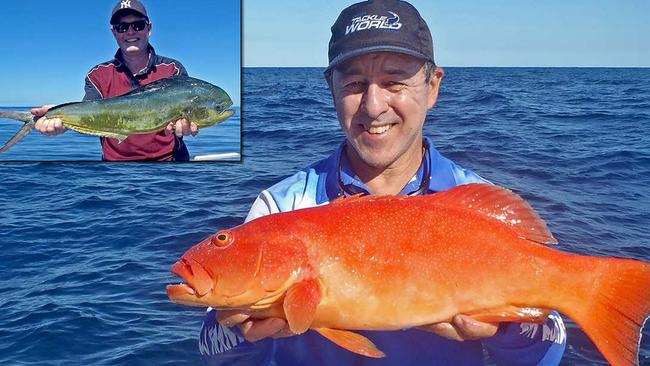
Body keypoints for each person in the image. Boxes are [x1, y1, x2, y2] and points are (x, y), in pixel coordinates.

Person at [200, 0, 567, 364]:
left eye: (394, 81)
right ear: (332, 88)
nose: (373, 105)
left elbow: (549, 352)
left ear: (433, 85)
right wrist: (238, 331)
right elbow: (214, 352)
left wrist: (504, 329)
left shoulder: (475, 203)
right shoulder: (279, 207)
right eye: (355, 83)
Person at [32, 0, 198, 161]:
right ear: (114, 33)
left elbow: (187, 114)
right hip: (115, 174)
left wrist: (186, 125)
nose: (130, 32)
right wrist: (60, 117)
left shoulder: (173, 69)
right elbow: (89, 114)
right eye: (122, 27)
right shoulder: (97, 75)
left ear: (149, 28)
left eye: (138, 25)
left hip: (169, 166)